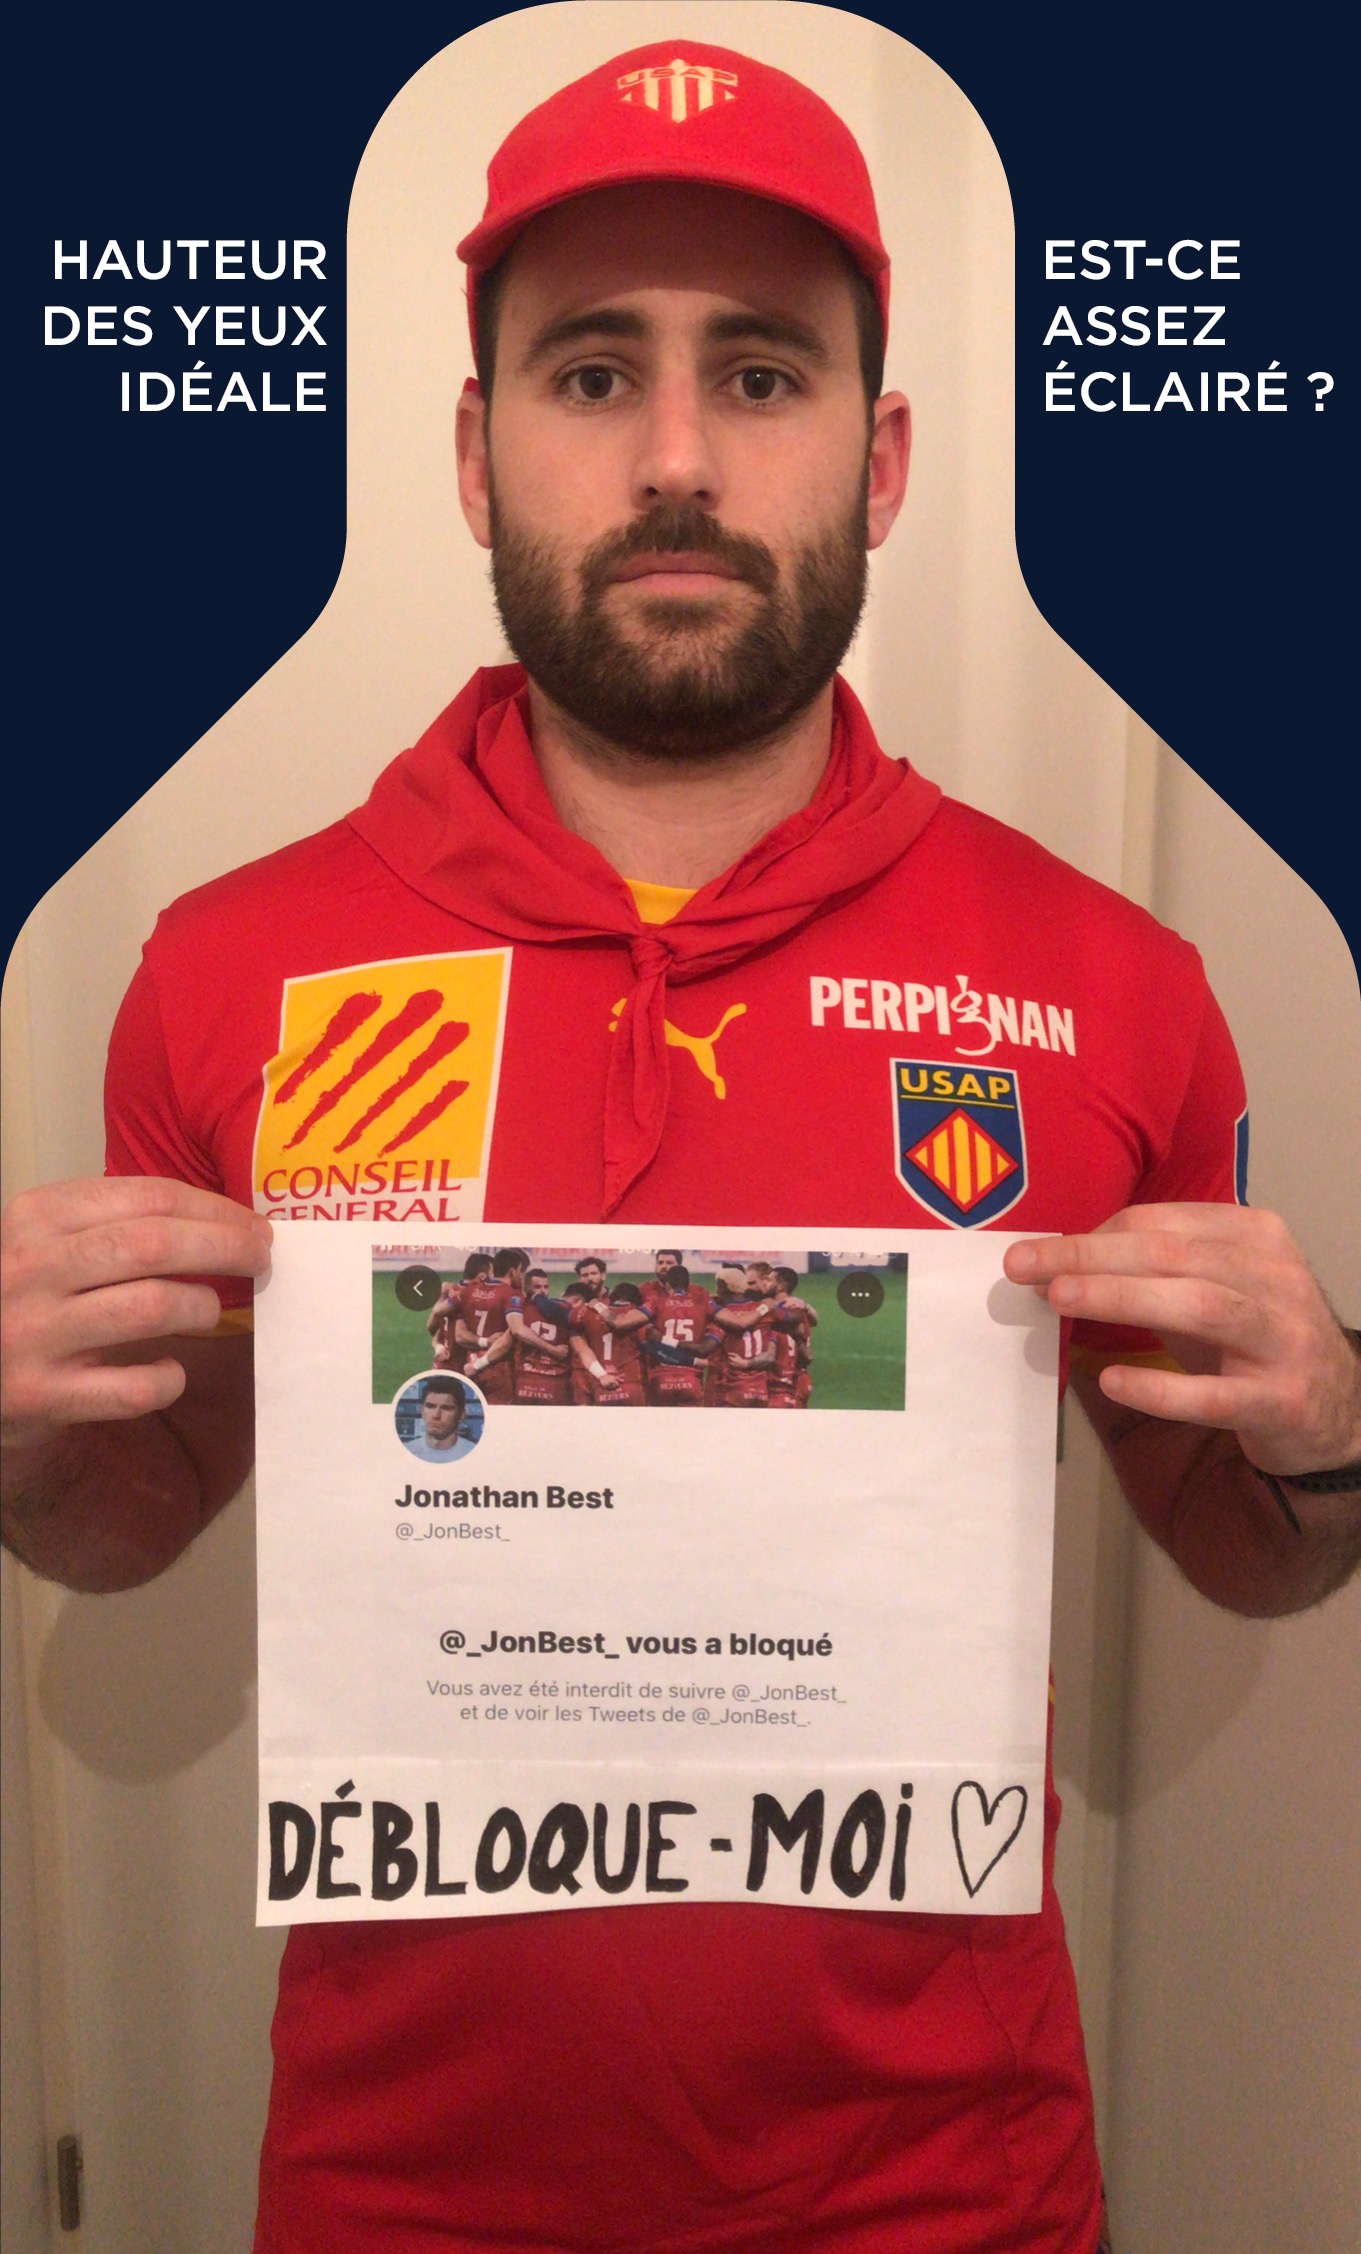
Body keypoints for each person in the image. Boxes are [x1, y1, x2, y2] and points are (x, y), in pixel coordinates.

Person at [2, 37, 1358, 2254]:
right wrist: (19, 1431)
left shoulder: (1107, 981)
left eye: (757, 374)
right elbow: (122, 1520)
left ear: (880, 456)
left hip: (947, 2194)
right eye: (588, 372)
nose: (671, 458)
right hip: (400, 2196)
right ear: (473, 453)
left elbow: (1248, 1553)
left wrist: (1334, 1423)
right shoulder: (235, 968)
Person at [402, 1372, 470, 1461]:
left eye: (446, 1408)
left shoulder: (474, 1453)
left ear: (461, 1414)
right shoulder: (406, 1451)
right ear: (422, 1410)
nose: (436, 1415)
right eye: (430, 1406)